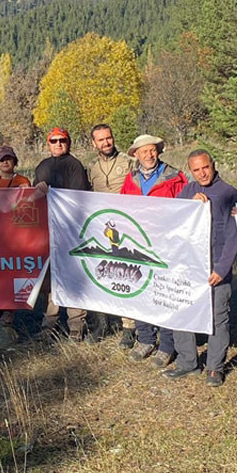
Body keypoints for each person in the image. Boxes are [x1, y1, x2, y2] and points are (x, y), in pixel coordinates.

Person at [163, 150, 237, 387]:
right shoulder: (187, 191)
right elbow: (170, 217)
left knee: (218, 317)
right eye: (196, 170)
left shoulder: (229, 193)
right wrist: (189, 205)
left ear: (213, 165)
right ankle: (188, 363)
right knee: (183, 312)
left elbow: (234, 235)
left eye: (205, 167)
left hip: (216, 267)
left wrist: (222, 268)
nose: (202, 173)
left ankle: (215, 368)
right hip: (188, 267)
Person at [120, 134, 187, 367]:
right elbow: (123, 207)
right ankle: (146, 339)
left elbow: (187, 210)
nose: (149, 155)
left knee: (163, 293)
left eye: (152, 151)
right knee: (140, 291)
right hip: (138, 244)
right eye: (144, 151)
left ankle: (168, 346)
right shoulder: (132, 179)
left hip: (166, 245)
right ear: (136, 155)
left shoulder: (175, 177)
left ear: (158, 152)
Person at [32, 127, 91, 341]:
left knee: (72, 277)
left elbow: (78, 198)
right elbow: (33, 198)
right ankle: (49, 324)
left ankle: (76, 325)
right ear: (48, 144)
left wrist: (53, 194)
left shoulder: (74, 165)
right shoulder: (42, 166)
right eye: (54, 141)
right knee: (49, 280)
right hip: (47, 231)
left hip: (70, 230)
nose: (58, 144)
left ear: (69, 143)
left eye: (62, 140)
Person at [86, 124, 133, 345]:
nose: (106, 143)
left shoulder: (128, 162)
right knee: (101, 274)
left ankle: (129, 327)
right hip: (100, 226)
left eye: (109, 138)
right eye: (101, 140)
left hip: (126, 225)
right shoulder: (91, 167)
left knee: (124, 274)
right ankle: (102, 324)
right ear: (94, 143)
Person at [0, 145, 29, 346]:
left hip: (16, 235)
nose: (5, 162)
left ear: (15, 161)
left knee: (12, 275)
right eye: (2, 159)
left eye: (9, 158)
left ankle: (8, 317)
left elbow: (30, 204)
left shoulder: (22, 181)